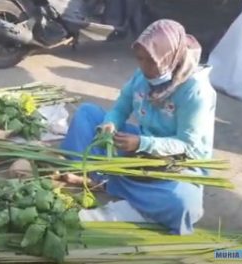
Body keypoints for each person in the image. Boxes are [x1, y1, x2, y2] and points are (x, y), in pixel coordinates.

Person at [60, 19, 217, 235]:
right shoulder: (142, 76)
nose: (144, 67)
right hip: (138, 149)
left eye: (151, 61)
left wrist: (142, 143)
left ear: (169, 57)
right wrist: (110, 123)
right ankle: (103, 177)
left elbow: (186, 144)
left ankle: (103, 180)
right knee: (87, 114)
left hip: (177, 162)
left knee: (182, 203)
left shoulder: (195, 91)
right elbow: (121, 107)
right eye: (140, 59)